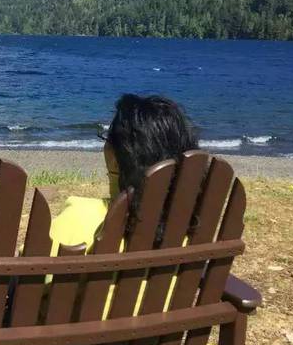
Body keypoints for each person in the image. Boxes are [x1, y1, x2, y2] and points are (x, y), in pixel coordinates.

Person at [48, 93, 199, 313]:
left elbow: (24, 286)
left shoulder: (81, 217)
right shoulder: (188, 228)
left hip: (73, 335)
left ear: (115, 156)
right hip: (159, 334)